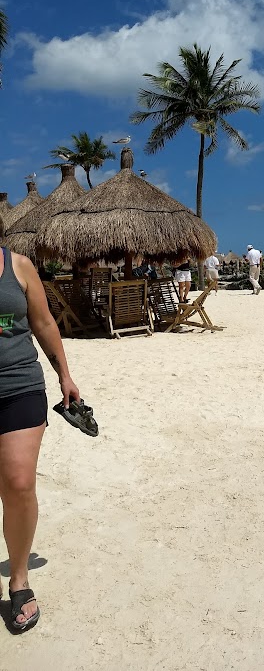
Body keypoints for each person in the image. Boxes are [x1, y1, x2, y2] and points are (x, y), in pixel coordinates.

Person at [0, 247, 80, 632]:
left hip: (19, 386)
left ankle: (18, 580)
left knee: (17, 482)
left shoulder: (18, 265)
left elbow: (44, 323)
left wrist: (65, 375)